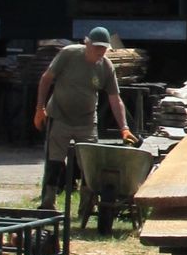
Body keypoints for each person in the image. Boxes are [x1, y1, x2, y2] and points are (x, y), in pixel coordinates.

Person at [34, 27, 134, 211]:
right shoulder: (69, 54)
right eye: (97, 48)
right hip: (59, 117)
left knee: (90, 165)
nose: (101, 53)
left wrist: (124, 128)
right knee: (54, 161)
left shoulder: (106, 67)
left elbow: (114, 98)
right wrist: (40, 108)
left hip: (87, 122)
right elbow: (46, 78)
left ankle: (87, 206)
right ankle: (48, 204)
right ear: (87, 44)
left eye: (104, 49)